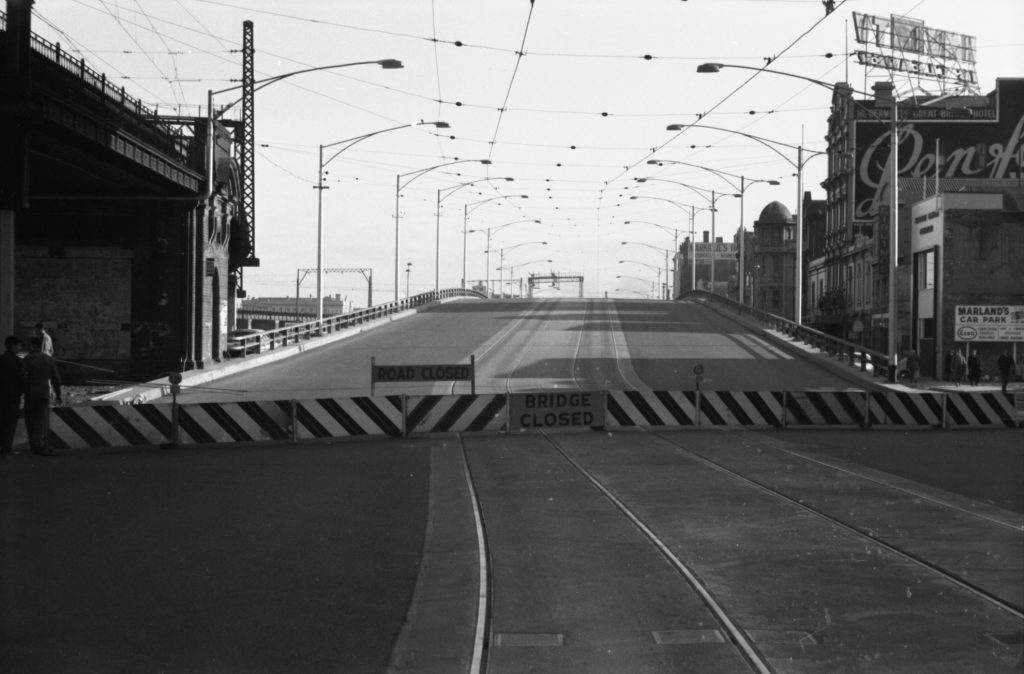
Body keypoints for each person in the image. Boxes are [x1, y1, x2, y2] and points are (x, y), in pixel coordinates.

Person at [22, 336, 62, 456]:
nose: (27, 347)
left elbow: (22, 377)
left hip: (31, 392)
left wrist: (22, 390)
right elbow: (56, 378)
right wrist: (58, 394)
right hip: (44, 391)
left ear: (34, 346)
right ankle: (40, 443)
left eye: (29, 345)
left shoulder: (28, 359)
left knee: (30, 418)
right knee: (41, 418)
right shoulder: (48, 359)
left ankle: (34, 444)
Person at [1, 336, 24, 456]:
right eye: (19, 345)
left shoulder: (1, 359)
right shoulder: (17, 361)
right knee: (10, 423)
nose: (20, 348)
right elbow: (22, 379)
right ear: (13, 346)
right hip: (13, 396)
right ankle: (6, 448)